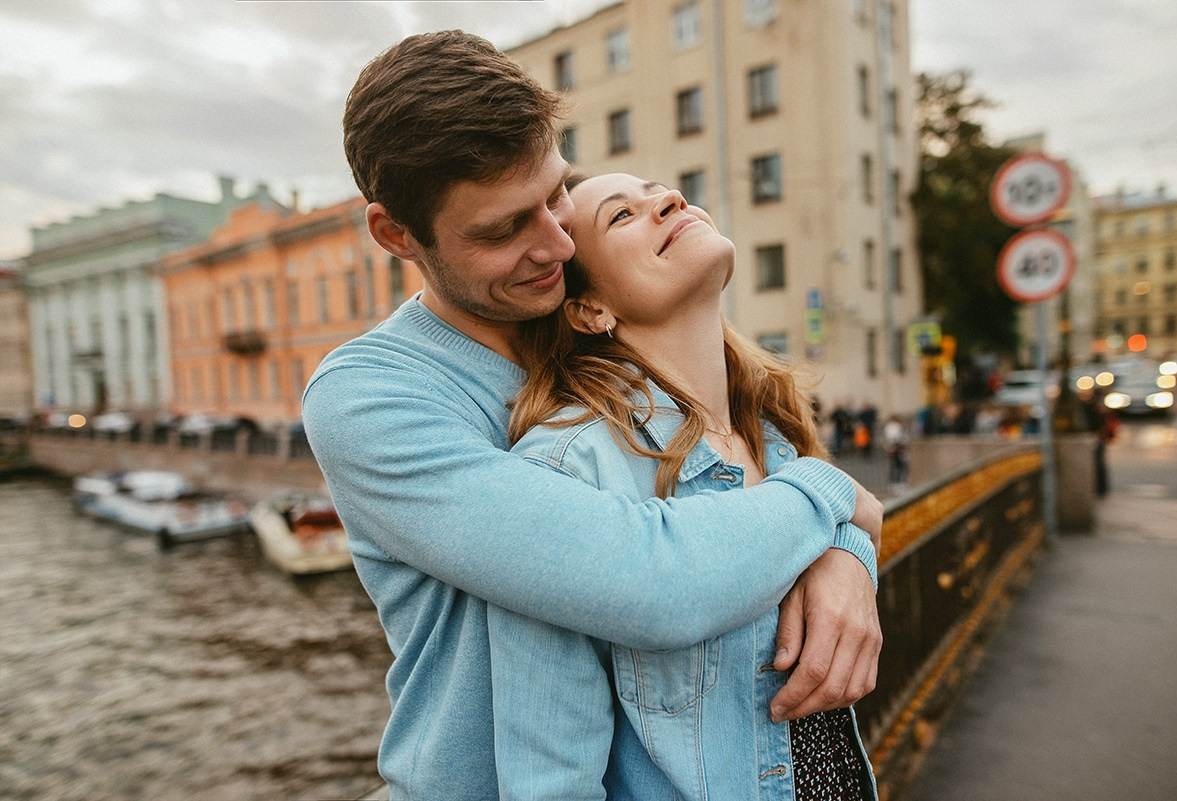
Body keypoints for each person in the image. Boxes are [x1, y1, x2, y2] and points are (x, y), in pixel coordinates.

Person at [302, 30, 882, 799]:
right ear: (395, 234)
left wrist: (846, 553)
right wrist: (832, 496)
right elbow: (647, 578)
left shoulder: (619, 341)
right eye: (503, 228)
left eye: (556, 196)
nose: (555, 244)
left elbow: (753, 460)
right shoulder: (372, 394)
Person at [488, 173, 878, 800]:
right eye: (621, 215)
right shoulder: (572, 468)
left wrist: (848, 552)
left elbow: (840, 527)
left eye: (660, 191)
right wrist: (843, 508)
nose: (670, 200)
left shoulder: (772, 428)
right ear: (591, 310)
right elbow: (550, 776)